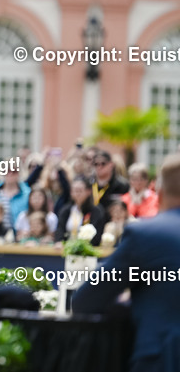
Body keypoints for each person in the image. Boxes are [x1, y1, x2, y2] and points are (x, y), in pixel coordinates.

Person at [74, 153, 180, 372]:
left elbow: (86, 300)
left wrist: (130, 305)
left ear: (158, 194)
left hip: (162, 360)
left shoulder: (145, 234)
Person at [54, 177, 107, 245]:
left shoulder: (96, 211)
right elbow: (60, 230)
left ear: (88, 191)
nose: (77, 194)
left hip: (86, 249)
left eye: (79, 190)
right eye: (74, 191)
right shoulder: (65, 210)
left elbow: (96, 234)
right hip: (66, 247)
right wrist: (59, 242)